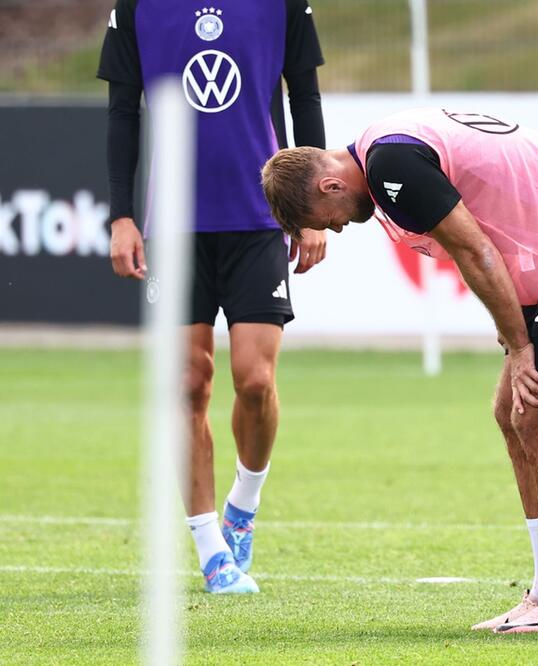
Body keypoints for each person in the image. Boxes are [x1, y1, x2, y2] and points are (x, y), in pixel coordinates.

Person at [260, 107, 538, 632]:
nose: (338, 227)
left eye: (329, 219)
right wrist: (516, 332)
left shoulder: (391, 164)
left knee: (535, 418)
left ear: (330, 185)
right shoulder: (383, 153)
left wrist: (519, 345)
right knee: (510, 415)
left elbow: (476, 250)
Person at [97, 0, 328, 593]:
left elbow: (305, 98)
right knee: (187, 384)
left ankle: (242, 508)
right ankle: (209, 547)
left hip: (257, 220)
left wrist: (311, 211)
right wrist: (121, 216)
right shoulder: (137, 8)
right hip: (173, 226)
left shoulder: (281, 6)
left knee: (253, 380)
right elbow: (123, 113)